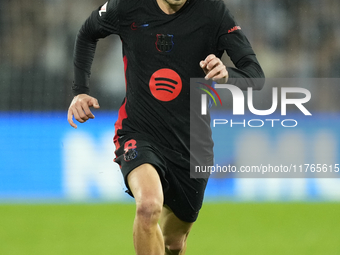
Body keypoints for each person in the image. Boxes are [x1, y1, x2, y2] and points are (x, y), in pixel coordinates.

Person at [67, 0, 264, 254]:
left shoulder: (213, 11)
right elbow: (87, 32)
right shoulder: (127, 6)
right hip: (138, 130)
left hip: (191, 144)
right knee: (148, 206)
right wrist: (80, 91)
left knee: (174, 243)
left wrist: (227, 74)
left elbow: (256, 76)